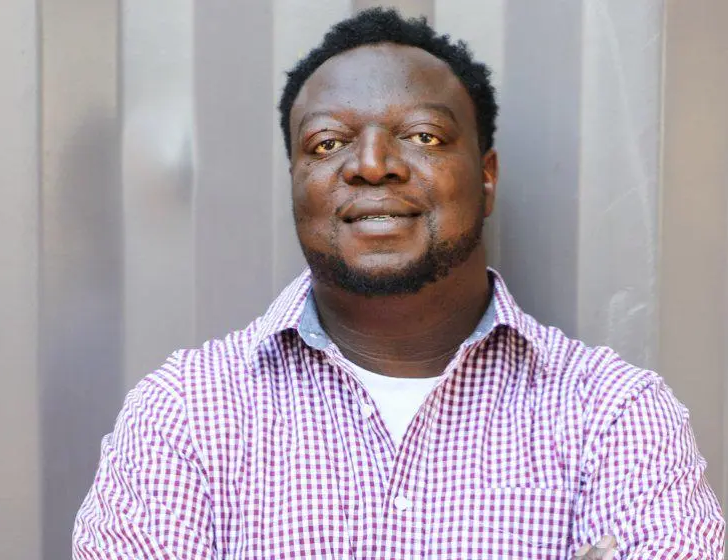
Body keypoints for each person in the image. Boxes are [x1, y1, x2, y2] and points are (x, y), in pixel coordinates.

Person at [73, 8, 725, 559]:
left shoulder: (612, 416)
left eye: (422, 135)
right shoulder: (185, 416)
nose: (372, 164)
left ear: (486, 176)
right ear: (295, 181)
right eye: (328, 144)